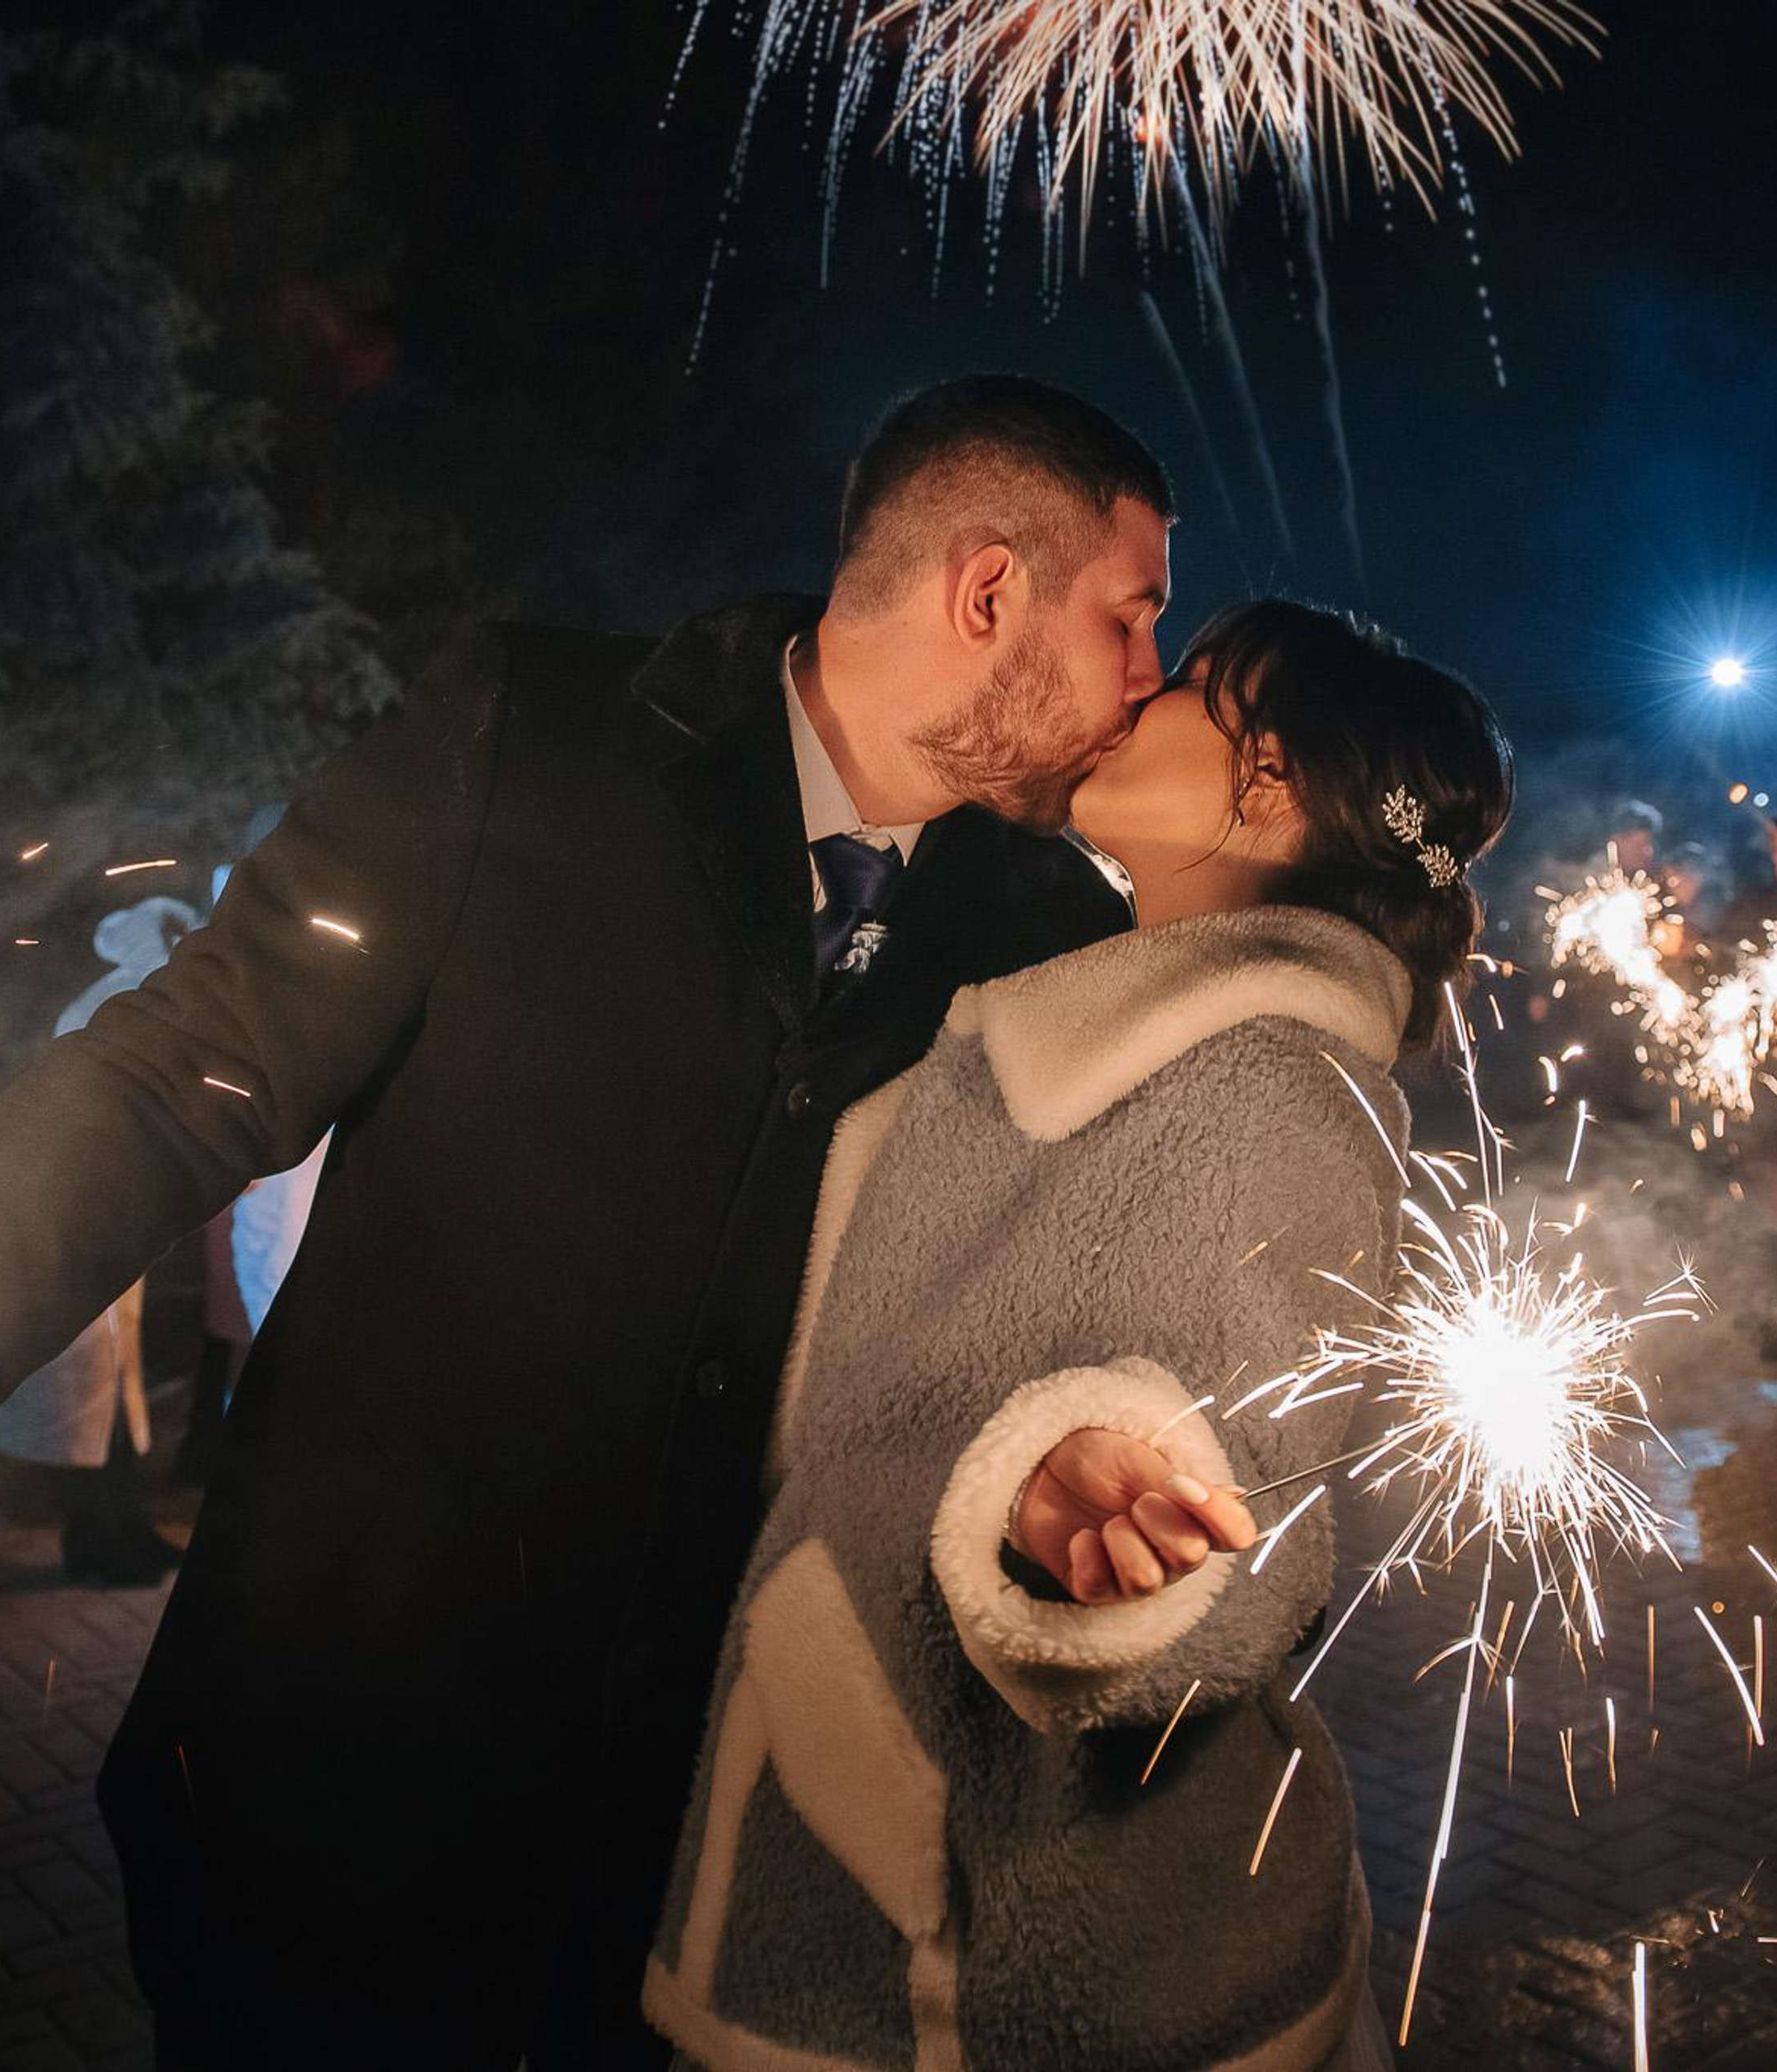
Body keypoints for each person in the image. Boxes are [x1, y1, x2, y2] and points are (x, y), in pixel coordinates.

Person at [0, 376, 1170, 2066]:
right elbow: (195, 1061)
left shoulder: (1049, 921)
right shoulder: (530, 731)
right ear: (984, 591)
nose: (1151, 673)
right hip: (337, 1799)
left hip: (717, 1885)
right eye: (1128, 613)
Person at [646, 600, 1512, 2071]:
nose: (1136, 696)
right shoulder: (1122, 1021)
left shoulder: (1268, 1082)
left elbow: (1233, 1480)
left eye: (1188, 683)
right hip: (897, 1899)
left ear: (1267, 780)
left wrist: (1103, 1514)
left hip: (1005, 1963)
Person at [0, 897, 198, 1585]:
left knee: (119, 1389)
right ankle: (97, 1544)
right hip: (69, 1220)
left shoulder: (138, 995)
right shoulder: (117, 1002)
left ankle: (127, 1529)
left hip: (110, 1218)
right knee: (83, 1399)